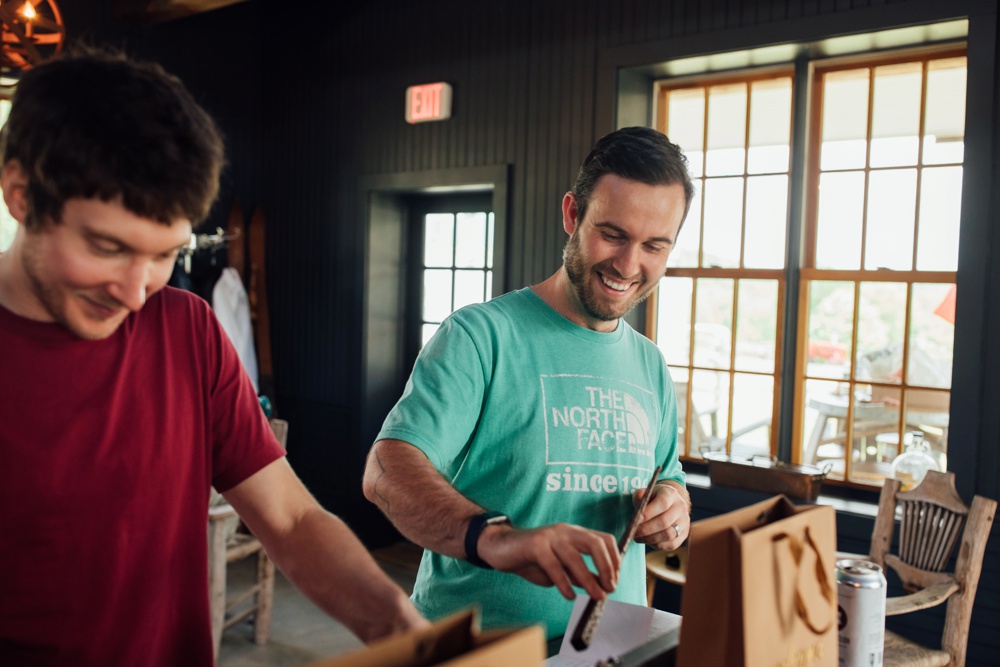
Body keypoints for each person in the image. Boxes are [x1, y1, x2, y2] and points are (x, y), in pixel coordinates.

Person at [0, 47, 426, 666]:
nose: (134, 288)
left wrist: (399, 628)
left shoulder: (185, 328)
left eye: (163, 253)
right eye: (107, 246)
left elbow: (291, 520)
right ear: (19, 194)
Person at [363, 126, 694, 640]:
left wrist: (674, 507)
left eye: (653, 245)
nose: (629, 265)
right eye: (613, 234)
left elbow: (668, 476)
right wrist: (498, 538)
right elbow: (386, 473)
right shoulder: (479, 337)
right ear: (571, 215)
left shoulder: (650, 364)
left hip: (608, 648)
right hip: (475, 649)